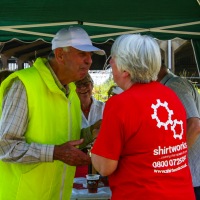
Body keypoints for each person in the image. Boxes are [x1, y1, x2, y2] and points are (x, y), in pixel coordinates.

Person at [0, 26, 105, 200]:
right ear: (60, 55)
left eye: (90, 56)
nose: (89, 61)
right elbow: (5, 145)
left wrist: (90, 133)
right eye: (82, 54)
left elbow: (61, 139)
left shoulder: (70, 90)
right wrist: (55, 152)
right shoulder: (25, 85)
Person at [91, 34, 195, 200]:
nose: (110, 63)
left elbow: (104, 166)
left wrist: (97, 140)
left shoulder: (120, 104)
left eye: (113, 58)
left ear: (125, 69)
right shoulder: (170, 95)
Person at [157, 62, 200, 200]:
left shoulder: (174, 86)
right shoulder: (167, 86)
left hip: (192, 179)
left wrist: (173, 159)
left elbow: (194, 125)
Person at [74, 73, 105, 176]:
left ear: (92, 86)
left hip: (101, 159)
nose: (83, 88)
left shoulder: (103, 107)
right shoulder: (69, 110)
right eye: (78, 85)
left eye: (86, 84)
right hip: (77, 160)